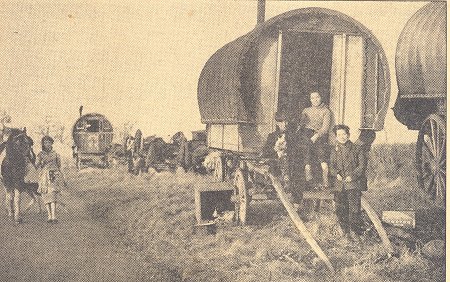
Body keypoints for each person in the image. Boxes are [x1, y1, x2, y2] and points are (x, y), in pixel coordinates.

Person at [329, 125, 366, 242]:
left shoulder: (357, 149)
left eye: (344, 134)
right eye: (339, 135)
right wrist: (336, 174)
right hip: (340, 185)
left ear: (348, 135)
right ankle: (345, 233)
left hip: (353, 185)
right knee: (340, 210)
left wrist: (352, 176)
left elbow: (362, 166)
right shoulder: (334, 150)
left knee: (354, 210)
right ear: (336, 137)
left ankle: (356, 233)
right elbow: (331, 167)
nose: (342, 137)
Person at [298, 91, 331, 187]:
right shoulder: (306, 110)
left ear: (321, 98)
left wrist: (316, 136)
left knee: (321, 151)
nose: (315, 100)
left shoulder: (326, 111)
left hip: (319, 134)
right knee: (305, 146)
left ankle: (325, 178)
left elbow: (325, 128)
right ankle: (308, 174)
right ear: (310, 99)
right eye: (312, 98)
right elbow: (301, 125)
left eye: (317, 97)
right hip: (306, 133)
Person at [36, 136, 66, 223]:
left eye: (49, 142)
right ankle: (49, 216)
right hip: (44, 176)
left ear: (52, 143)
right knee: (46, 195)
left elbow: (59, 166)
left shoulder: (56, 154)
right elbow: (37, 165)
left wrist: (63, 177)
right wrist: (40, 162)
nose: (47, 144)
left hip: (54, 176)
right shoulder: (40, 154)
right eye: (45, 143)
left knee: (53, 195)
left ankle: (54, 216)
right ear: (43, 144)